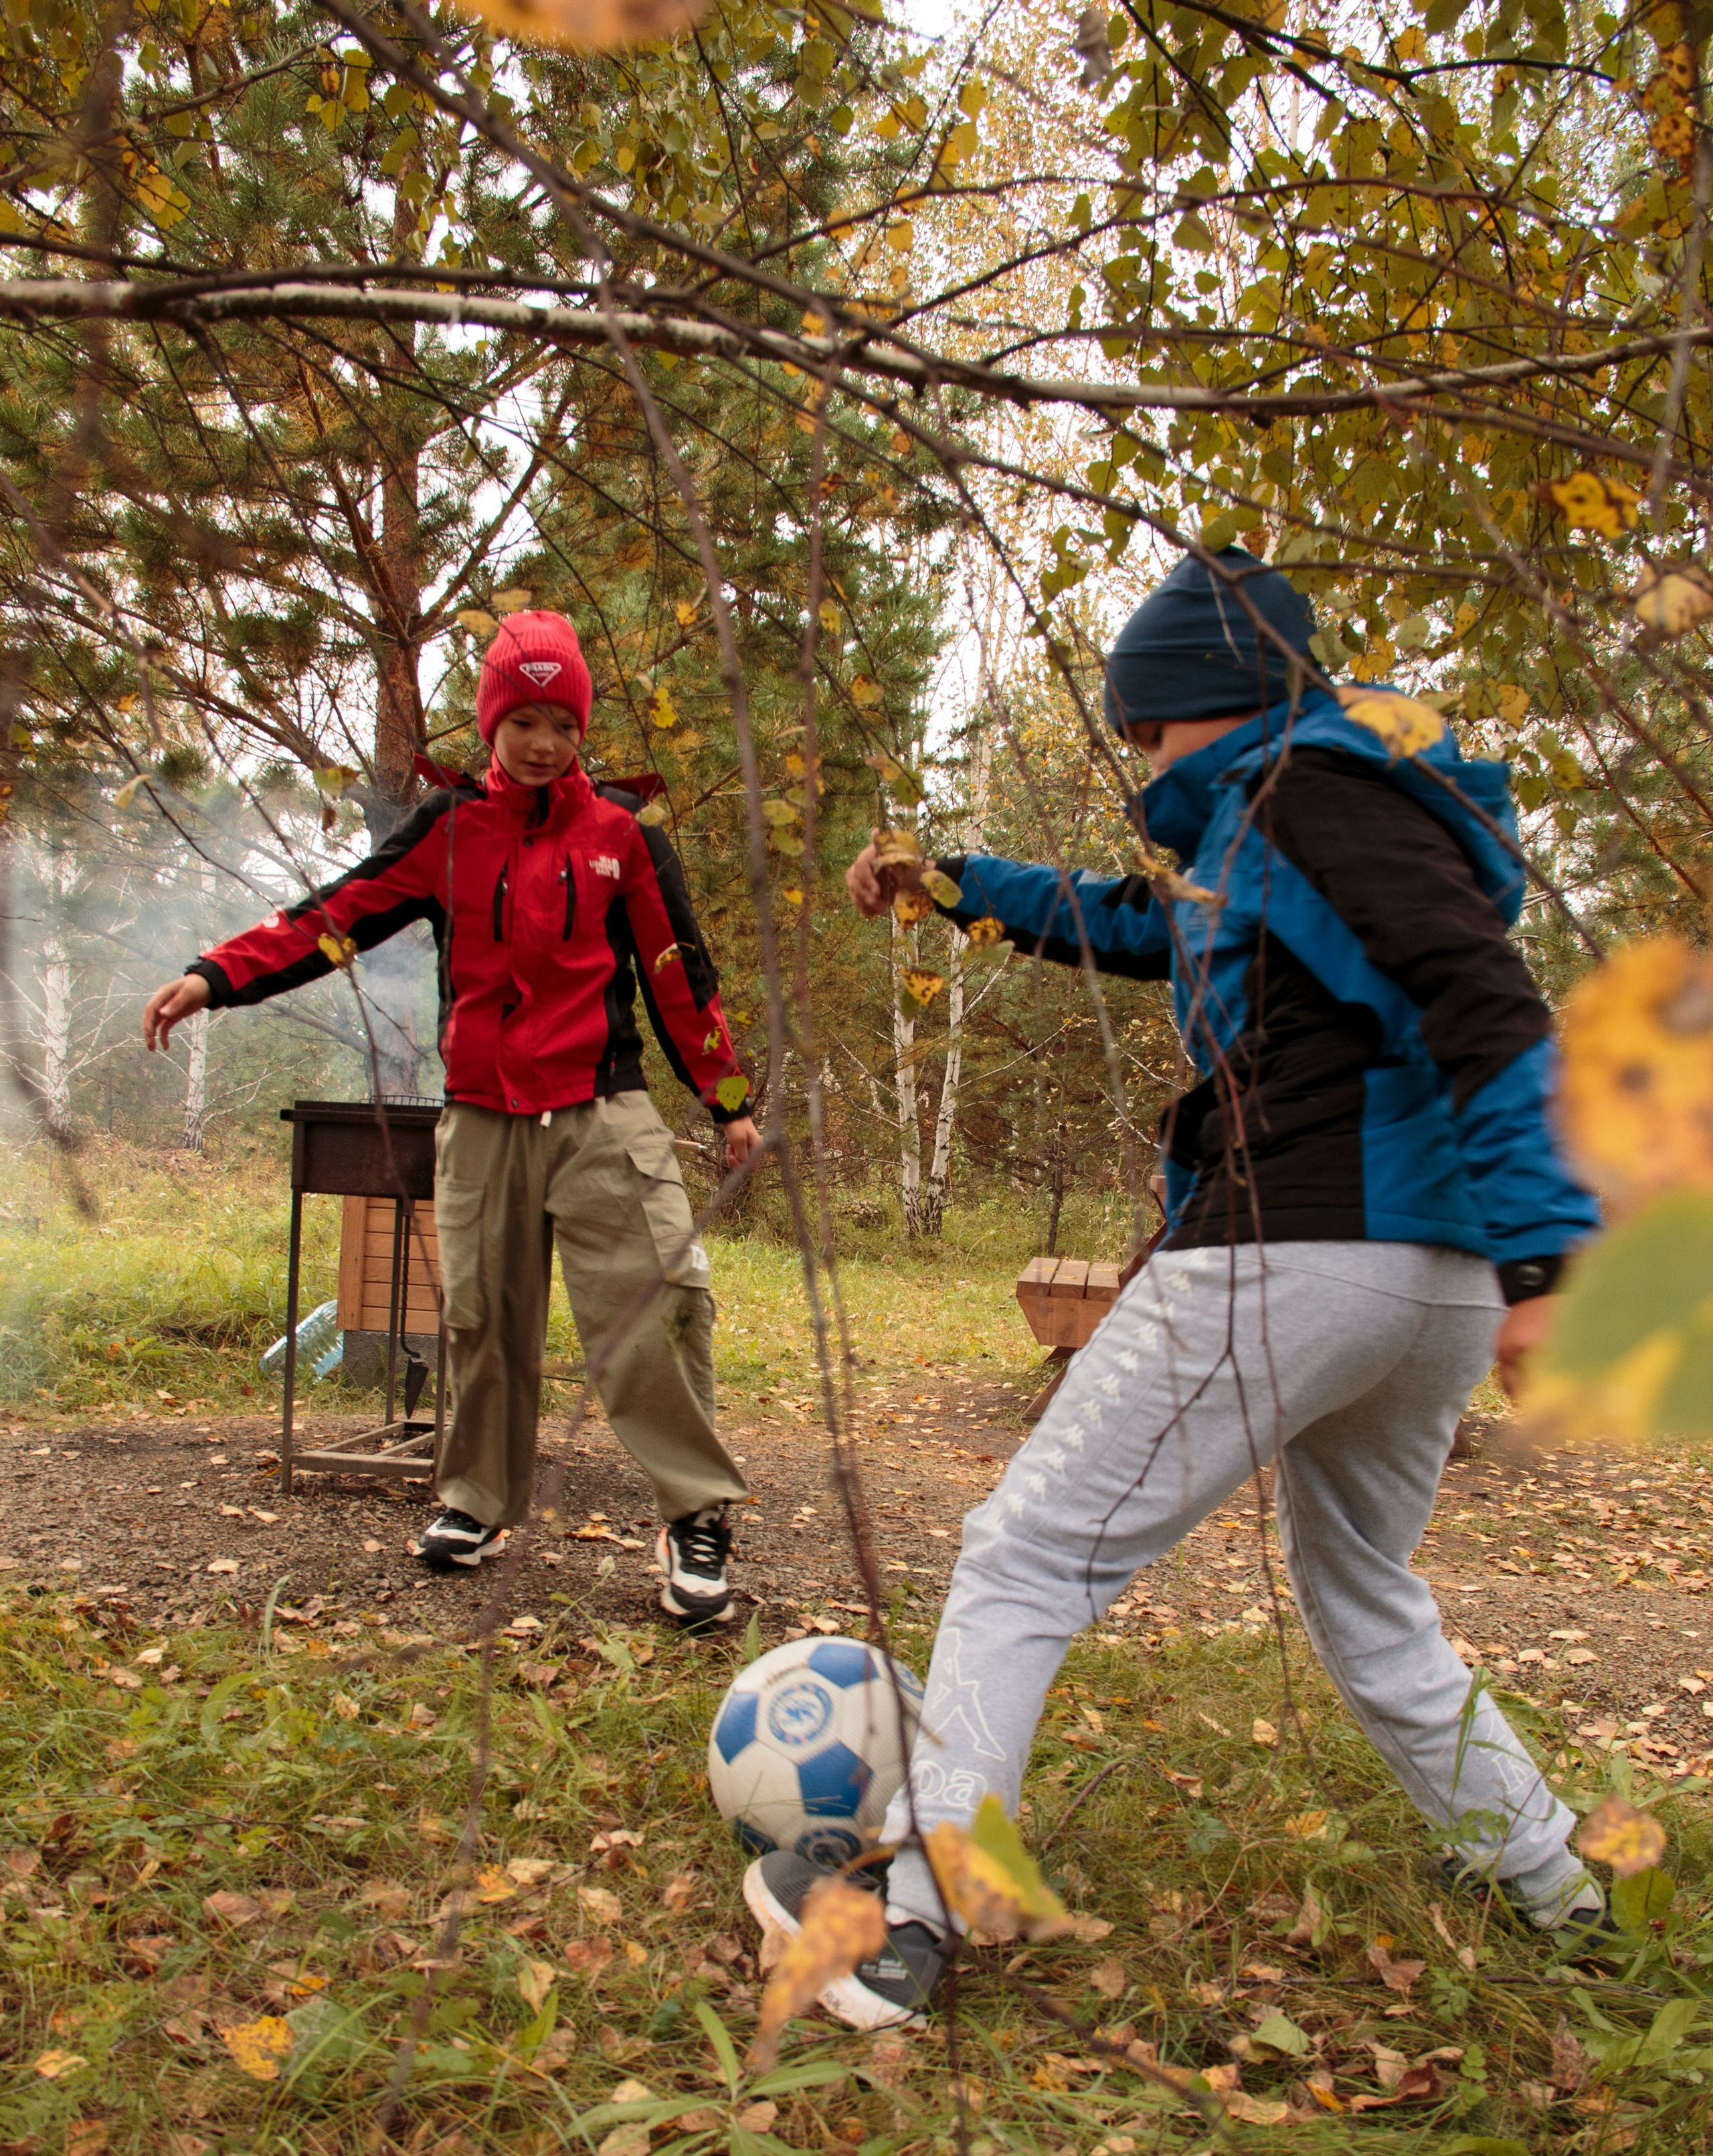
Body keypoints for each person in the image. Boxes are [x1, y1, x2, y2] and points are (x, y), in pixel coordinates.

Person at [745, 545, 1606, 2028]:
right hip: (1429, 1278)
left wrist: (1553, 1259)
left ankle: (914, 1916)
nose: (1135, 755)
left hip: (1304, 1248)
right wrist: (954, 884)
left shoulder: (1307, 791)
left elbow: (1482, 995)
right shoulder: (1279, 818)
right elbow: (1142, 925)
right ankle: (1550, 1877)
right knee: (1365, 1598)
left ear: (1213, 702)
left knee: (1020, 1558)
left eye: (1145, 728)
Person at [143, 610, 757, 1623]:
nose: (544, 741)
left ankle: (697, 1516)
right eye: (525, 719)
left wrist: (727, 1099)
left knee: (656, 1309)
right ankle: (475, 1500)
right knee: (480, 1317)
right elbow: (332, 918)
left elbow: (675, 972)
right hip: (481, 1116)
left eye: (563, 721)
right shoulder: (448, 831)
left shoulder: (621, 834)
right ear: (491, 724)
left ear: (582, 728)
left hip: (605, 1110)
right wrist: (216, 975)